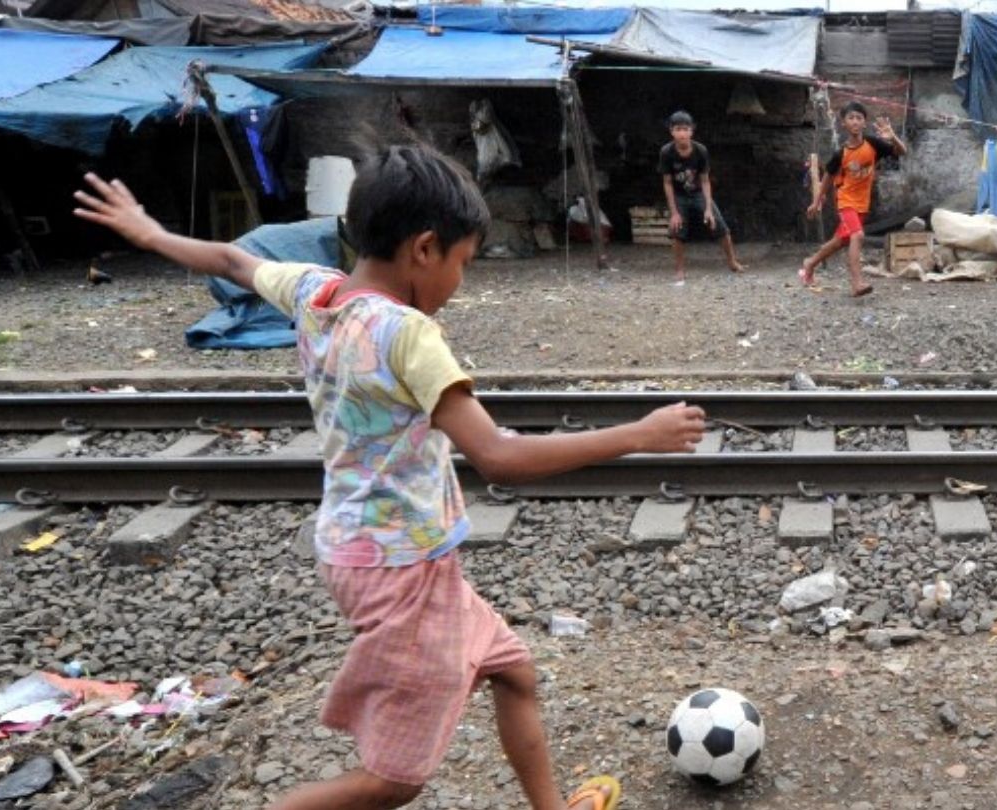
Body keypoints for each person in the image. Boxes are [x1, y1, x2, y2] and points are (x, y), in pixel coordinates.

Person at [74, 143, 707, 810]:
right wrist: (640, 434)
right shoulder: (408, 335)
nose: (461, 283)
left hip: (378, 552)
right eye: (464, 263)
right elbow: (496, 455)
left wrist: (150, 233)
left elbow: (234, 260)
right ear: (425, 249)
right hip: (402, 571)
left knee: (513, 671)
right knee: (396, 780)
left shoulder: (318, 291)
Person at [799, 101, 907, 297]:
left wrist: (893, 138)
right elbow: (828, 178)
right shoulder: (841, 154)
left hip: (862, 205)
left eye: (859, 118)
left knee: (840, 241)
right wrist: (816, 201)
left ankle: (810, 264)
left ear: (864, 123)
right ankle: (857, 283)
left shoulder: (873, 144)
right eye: (851, 118)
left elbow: (902, 152)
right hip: (845, 201)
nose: (855, 121)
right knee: (857, 236)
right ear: (844, 124)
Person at [657, 110, 744, 285]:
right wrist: (674, 212)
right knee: (676, 231)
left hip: (698, 192)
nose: (682, 133)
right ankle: (680, 270)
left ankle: (732, 262)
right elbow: (667, 182)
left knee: (720, 226)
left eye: (685, 129)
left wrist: (708, 209)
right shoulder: (666, 152)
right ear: (672, 131)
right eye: (678, 129)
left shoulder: (700, 150)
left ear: (691, 131)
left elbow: (705, 180)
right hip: (679, 194)